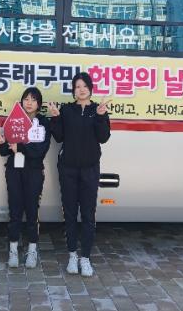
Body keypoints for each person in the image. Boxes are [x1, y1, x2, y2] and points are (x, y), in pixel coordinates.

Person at [47, 72, 111, 277]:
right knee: (70, 213)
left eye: (84, 86)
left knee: (88, 214)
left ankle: (86, 258)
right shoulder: (67, 110)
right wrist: (56, 118)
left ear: (90, 88)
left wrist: (100, 117)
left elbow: (103, 137)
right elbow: (58, 137)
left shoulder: (97, 109)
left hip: (90, 169)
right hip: (68, 169)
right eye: (77, 86)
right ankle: (72, 255)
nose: (81, 90)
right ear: (73, 90)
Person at [0, 87, 51, 269]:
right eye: (26, 99)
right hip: (14, 171)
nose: (29, 102)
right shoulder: (14, 119)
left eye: (33, 99)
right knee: (15, 211)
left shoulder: (43, 122)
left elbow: (41, 150)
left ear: (39, 103)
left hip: (33, 171)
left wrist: (21, 148)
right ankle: (13, 250)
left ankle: (32, 250)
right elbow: (5, 152)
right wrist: (2, 142)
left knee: (32, 211)